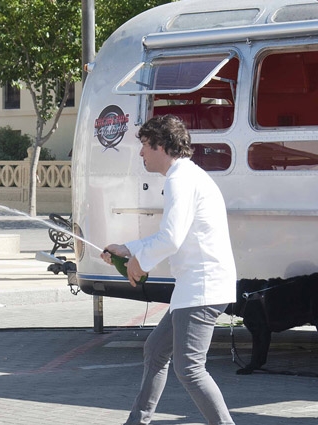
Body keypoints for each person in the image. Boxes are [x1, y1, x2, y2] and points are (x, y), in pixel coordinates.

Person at [101, 115, 236, 425]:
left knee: (189, 368)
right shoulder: (187, 176)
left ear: (161, 146)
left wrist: (138, 262)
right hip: (196, 287)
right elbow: (173, 234)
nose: (141, 153)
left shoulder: (180, 179)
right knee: (156, 351)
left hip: (201, 288)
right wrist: (130, 249)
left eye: (145, 145)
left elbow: (171, 238)